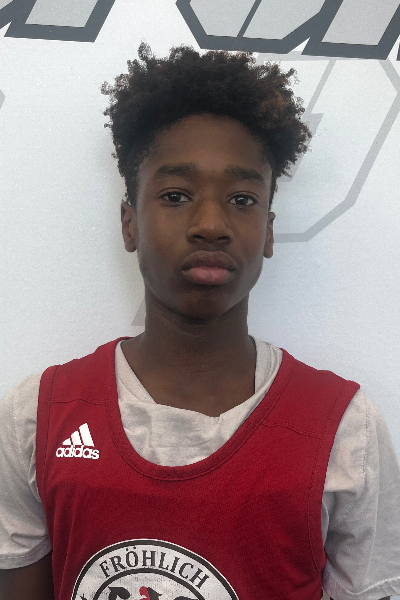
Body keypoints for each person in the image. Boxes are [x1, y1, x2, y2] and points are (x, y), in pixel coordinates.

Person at [0, 42, 399, 600]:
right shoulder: (38, 415)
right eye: (175, 195)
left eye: (242, 199)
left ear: (268, 231)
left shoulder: (345, 430)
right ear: (129, 223)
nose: (211, 223)